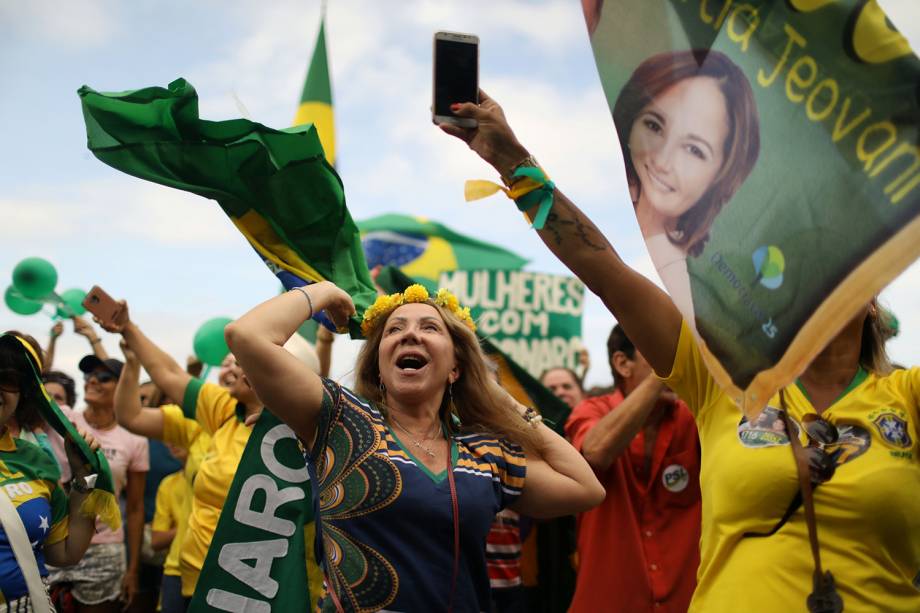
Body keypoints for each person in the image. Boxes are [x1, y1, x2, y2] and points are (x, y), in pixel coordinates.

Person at [441, 90, 920, 611]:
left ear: (872, 293)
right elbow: (604, 270)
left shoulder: (907, 397)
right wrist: (510, 160)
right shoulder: (723, 378)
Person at [224, 281, 605, 612]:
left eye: (429, 327)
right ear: (376, 366)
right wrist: (324, 293)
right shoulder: (341, 418)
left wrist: (498, 396)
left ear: (454, 367)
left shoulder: (485, 454)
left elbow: (586, 488)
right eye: (394, 329)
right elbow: (246, 335)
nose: (410, 335)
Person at [101, 300, 323, 603]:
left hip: (267, 594)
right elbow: (168, 374)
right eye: (229, 360)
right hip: (197, 581)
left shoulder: (315, 435)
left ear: (280, 371)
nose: (229, 366)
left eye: (242, 360)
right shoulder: (224, 410)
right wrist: (127, 328)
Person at [613, 49, 760, 323]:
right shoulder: (616, 225)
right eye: (655, 125)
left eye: (694, 149)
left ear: (723, 173)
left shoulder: (685, 289)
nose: (663, 160)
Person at [564, 324, 700, 612]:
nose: (677, 365)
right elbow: (596, 453)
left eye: (674, 356)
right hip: (608, 602)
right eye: (659, 352)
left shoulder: (693, 418)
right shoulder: (590, 411)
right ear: (622, 364)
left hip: (688, 602)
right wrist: (662, 375)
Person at [0, 333, 103, 610]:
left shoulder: (36, 459)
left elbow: (65, 553)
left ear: (22, 394)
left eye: (9, 380)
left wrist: (84, 478)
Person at [50, 355, 148, 613]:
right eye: (89, 376)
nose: (93, 380)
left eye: (104, 377)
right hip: (52, 541)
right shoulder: (65, 419)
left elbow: (135, 509)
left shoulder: (134, 439)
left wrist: (132, 569)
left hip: (105, 548)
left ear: (122, 388)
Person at [150, 443, 190, 613]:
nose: (172, 442)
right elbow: (156, 540)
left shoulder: (217, 478)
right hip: (176, 571)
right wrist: (186, 524)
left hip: (210, 568)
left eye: (180, 434)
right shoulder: (168, 484)